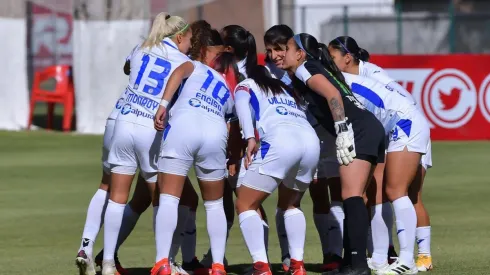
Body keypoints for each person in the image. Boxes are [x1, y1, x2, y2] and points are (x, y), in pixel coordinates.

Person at [282, 33, 386, 275]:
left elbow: (333, 95)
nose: (281, 53)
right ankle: (352, 262)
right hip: (367, 127)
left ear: (299, 53)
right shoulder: (311, 68)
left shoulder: (305, 67)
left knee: (351, 196)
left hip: (357, 129)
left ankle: (359, 265)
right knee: (354, 197)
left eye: (286, 48)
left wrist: (342, 130)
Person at [329, 36, 434, 272]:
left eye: (332, 58)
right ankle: (379, 256)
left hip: (404, 125)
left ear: (347, 58)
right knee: (379, 194)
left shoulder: (369, 75)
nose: (329, 63)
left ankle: (410, 260)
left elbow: (405, 103)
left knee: (400, 192)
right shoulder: (350, 76)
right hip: (388, 129)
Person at [100, 12, 193, 275]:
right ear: (178, 37)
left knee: (118, 197)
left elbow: (127, 68)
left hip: (124, 123)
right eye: (189, 40)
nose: (190, 45)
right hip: (150, 129)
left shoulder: (141, 48)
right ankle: (164, 262)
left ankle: (107, 263)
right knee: (162, 198)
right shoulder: (183, 60)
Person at [151, 39, 238, 275]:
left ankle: (162, 263)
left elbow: (178, 72)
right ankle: (218, 265)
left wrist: (163, 104)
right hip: (215, 132)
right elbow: (231, 124)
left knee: (169, 198)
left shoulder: (196, 66)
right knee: (214, 204)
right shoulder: (228, 89)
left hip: (184, 124)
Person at [263, 24, 343, 273]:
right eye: (269, 50)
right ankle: (288, 256)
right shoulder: (266, 73)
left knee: (333, 194)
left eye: (279, 48)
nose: (275, 55)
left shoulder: (305, 68)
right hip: (292, 143)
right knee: (288, 200)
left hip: (324, 138)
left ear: (292, 48)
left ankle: (335, 254)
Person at [234, 65, 320, 275]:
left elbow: (243, 107)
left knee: (245, 203)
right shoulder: (285, 90)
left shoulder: (246, 85)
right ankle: (298, 265)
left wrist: (249, 137)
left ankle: (261, 267)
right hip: (311, 142)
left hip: (281, 140)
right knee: (291, 204)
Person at [200, 24, 260, 269]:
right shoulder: (251, 68)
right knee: (226, 200)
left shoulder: (229, 70)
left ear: (227, 48)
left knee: (247, 200)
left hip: (240, 145)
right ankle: (217, 256)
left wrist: (234, 155)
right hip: (239, 143)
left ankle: (262, 259)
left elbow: (236, 117)